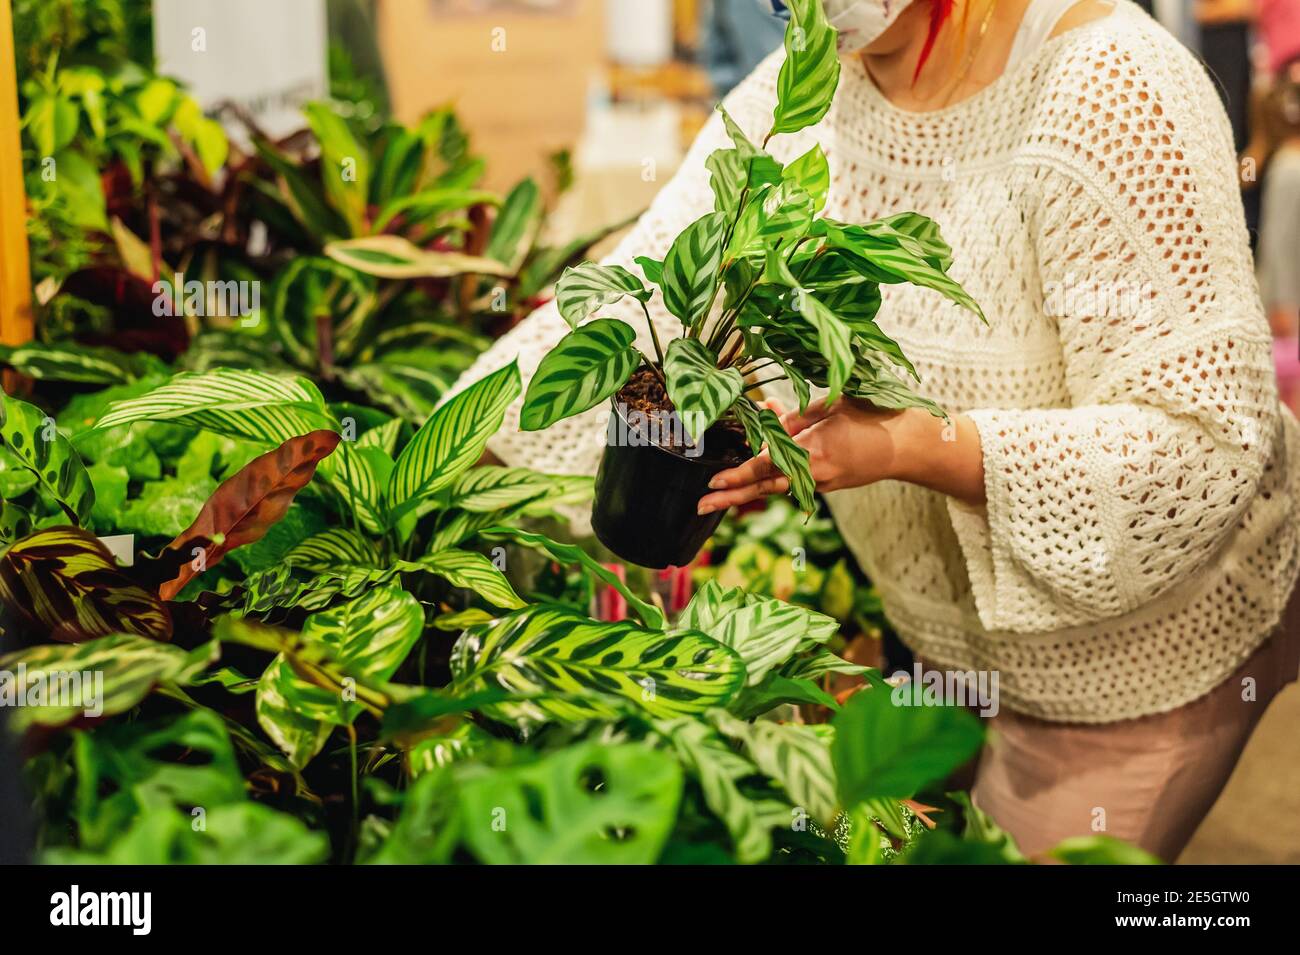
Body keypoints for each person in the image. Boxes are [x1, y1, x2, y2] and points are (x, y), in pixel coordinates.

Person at [453, 0, 1300, 860]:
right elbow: (652, 288)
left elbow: (1199, 447)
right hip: (938, 641)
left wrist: (904, 445)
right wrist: (431, 461)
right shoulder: (813, 84)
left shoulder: (1112, 87)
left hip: (1133, 664)